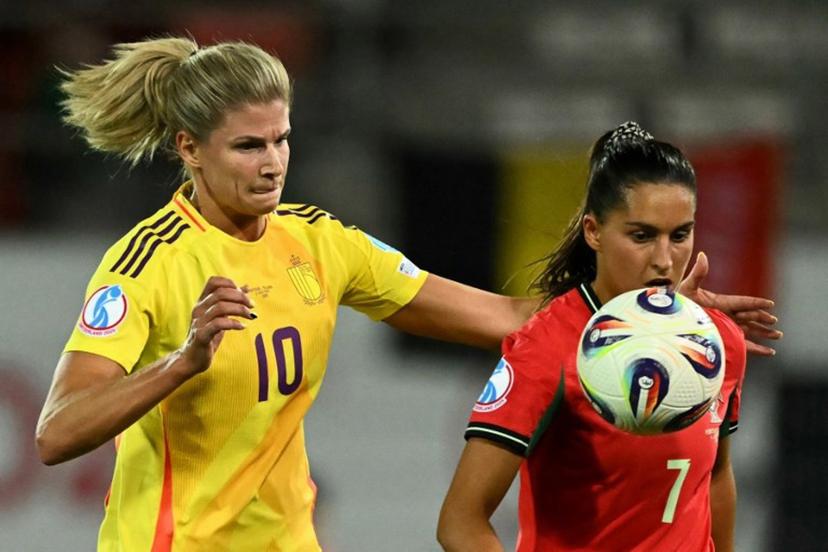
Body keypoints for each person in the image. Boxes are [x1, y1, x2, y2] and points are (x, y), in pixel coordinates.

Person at [34, 37, 777, 551]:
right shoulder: (147, 263)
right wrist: (181, 363)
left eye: (282, 140)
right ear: (188, 149)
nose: (272, 165)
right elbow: (56, 433)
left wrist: (660, 319)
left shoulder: (320, 244)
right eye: (248, 146)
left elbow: (514, 318)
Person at [437, 122, 759, 552]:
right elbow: (461, 522)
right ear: (593, 232)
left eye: (680, 234)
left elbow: (715, 476)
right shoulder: (545, 348)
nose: (665, 260)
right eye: (641, 236)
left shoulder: (718, 342)